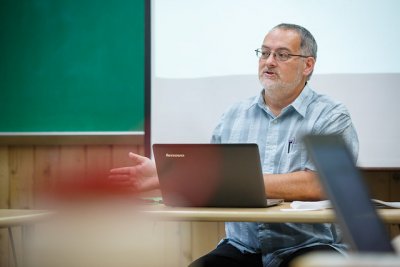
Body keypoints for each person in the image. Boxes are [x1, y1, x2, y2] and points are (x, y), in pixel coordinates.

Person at [109, 23, 359, 267]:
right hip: (243, 248)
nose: (269, 61)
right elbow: (210, 180)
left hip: (309, 247)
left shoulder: (331, 115)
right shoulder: (234, 115)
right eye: (264, 52)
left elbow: (323, 184)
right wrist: (164, 178)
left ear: (308, 64)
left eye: (282, 54)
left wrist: (237, 179)